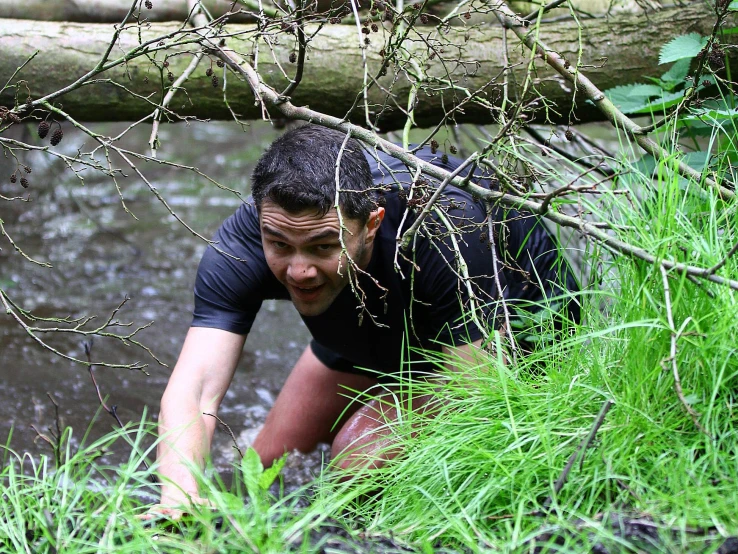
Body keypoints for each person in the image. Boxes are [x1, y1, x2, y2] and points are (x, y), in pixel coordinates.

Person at [154, 125, 580, 511]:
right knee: (261, 469)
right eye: (280, 245)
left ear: (371, 223)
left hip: (507, 335)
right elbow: (193, 391)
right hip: (371, 308)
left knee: (355, 460)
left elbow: (477, 392)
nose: (298, 270)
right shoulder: (245, 241)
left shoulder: (446, 223)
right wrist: (178, 502)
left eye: (323, 246)